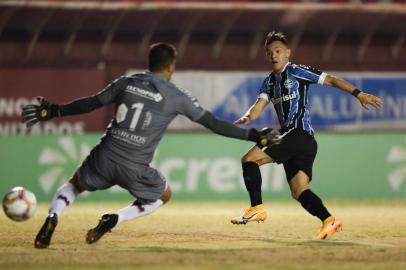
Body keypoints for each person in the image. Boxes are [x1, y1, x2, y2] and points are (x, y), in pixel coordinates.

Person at [22, 42, 279, 249]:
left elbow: (90, 103)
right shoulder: (176, 96)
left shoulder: (126, 82)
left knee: (74, 184)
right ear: (170, 67)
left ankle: (53, 216)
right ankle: (115, 219)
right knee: (163, 195)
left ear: (150, 63)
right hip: (135, 166)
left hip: (104, 156)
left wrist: (54, 110)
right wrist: (255, 136)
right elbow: (213, 123)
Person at [230, 31, 382, 240]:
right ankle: (329, 221)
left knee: (249, 160)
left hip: (296, 133)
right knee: (299, 191)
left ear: (287, 53)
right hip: (303, 142)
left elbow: (331, 80)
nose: (274, 55)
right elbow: (257, 108)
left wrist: (359, 94)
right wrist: (246, 117)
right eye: (269, 52)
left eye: (278, 51)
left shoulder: (297, 71)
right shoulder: (269, 83)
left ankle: (256, 206)